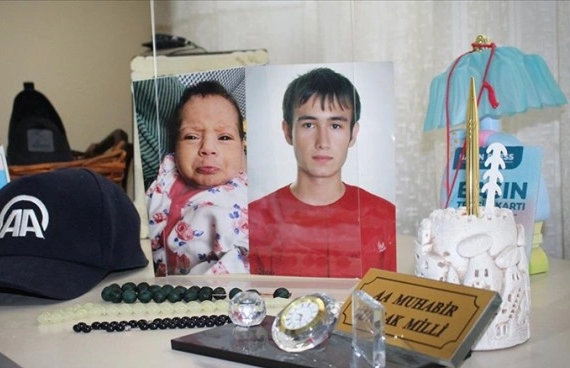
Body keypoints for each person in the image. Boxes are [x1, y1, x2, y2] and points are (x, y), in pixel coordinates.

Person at [249, 67, 396, 278]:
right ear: (288, 131)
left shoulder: (384, 217)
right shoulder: (255, 220)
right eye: (309, 125)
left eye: (335, 126)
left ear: (353, 134)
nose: (323, 142)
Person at [146, 81, 248, 276]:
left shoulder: (247, 196)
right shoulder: (165, 179)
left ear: (242, 146)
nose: (208, 148)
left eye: (224, 137)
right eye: (192, 137)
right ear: (175, 145)